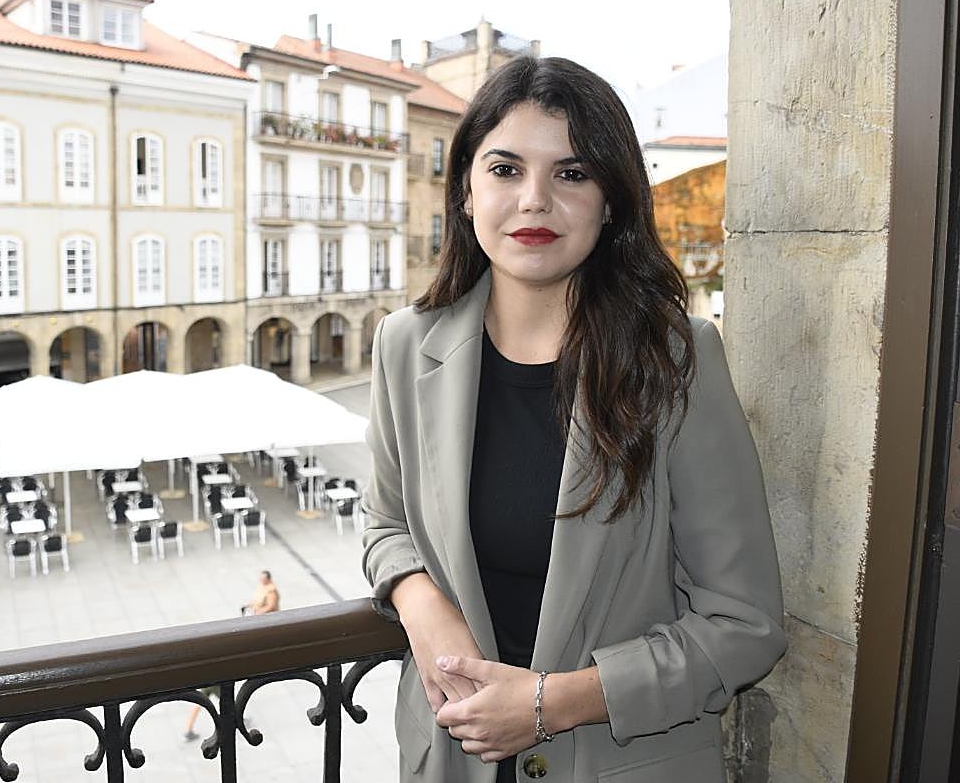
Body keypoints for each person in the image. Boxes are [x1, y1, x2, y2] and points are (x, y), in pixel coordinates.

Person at [360, 56, 786, 783]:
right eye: (504, 169)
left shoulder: (675, 360)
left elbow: (743, 625)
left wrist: (548, 704)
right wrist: (418, 597)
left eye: (571, 174)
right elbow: (383, 521)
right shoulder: (406, 345)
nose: (534, 200)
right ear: (464, 191)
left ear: (612, 201)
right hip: (450, 761)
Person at [184, 571, 283, 740]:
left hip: (209, 680)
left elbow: (271, 607)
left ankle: (190, 728)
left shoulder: (271, 591)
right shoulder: (263, 588)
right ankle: (236, 720)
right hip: (214, 681)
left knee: (207, 702)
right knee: (226, 701)